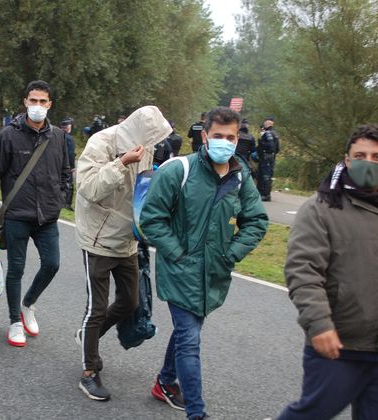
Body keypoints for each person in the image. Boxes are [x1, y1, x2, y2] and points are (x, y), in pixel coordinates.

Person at [140, 106, 268, 419]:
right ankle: (196, 412)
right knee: (190, 339)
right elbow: (151, 219)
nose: (224, 141)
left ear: (237, 138)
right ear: (205, 136)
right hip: (179, 269)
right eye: (218, 135)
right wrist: (177, 253)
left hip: (214, 273)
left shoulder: (240, 176)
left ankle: (164, 381)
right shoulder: (177, 171)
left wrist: (232, 253)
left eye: (230, 136)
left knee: (188, 332)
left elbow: (256, 221)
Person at [277, 124, 378, 420]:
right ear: (348, 160)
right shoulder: (321, 208)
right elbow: (303, 271)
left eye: (377, 157)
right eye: (361, 155)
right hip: (339, 346)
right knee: (309, 415)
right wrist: (319, 324)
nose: (370, 162)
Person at [74, 106, 172, 401]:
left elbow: (142, 191)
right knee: (97, 307)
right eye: (151, 137)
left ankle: (86, 339)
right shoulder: (101, 143)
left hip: (128, 238)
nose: (153, 144)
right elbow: (88, 188)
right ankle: (89, 372)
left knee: (129, 301)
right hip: (98, 238)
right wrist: (121, 163)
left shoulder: (148, 148)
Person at [0, 80, 69, 347]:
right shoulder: (8, 135)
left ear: (50, 104)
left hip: (47, 217)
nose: (37, 106)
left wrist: (60, 199)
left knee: (53, 264)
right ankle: (14, 322)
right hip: (17, 216)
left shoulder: (58, 136)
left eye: (42, 102)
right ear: (25, 102)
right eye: (33, 101)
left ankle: (28, 304)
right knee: (16, 269)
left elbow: (64, 174)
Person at [256, 116, 280, 201]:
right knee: (266, 175)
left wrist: (260, 142)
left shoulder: (267, 133)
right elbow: (277, 149)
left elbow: (271, 147)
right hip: (271, 158)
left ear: (267, 123)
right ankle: (263, 194)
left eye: (265, 122)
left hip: (266, 157)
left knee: (264, 176)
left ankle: (265, 194)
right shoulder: (275, 134)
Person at [60, 117, 76, 210]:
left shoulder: (56, 135)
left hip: (57, 162)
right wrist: (72, 166)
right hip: (67, 165)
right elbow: (70, 153)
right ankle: (67, 204)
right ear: (68, 127)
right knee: (69, 184)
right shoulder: (69, 138)